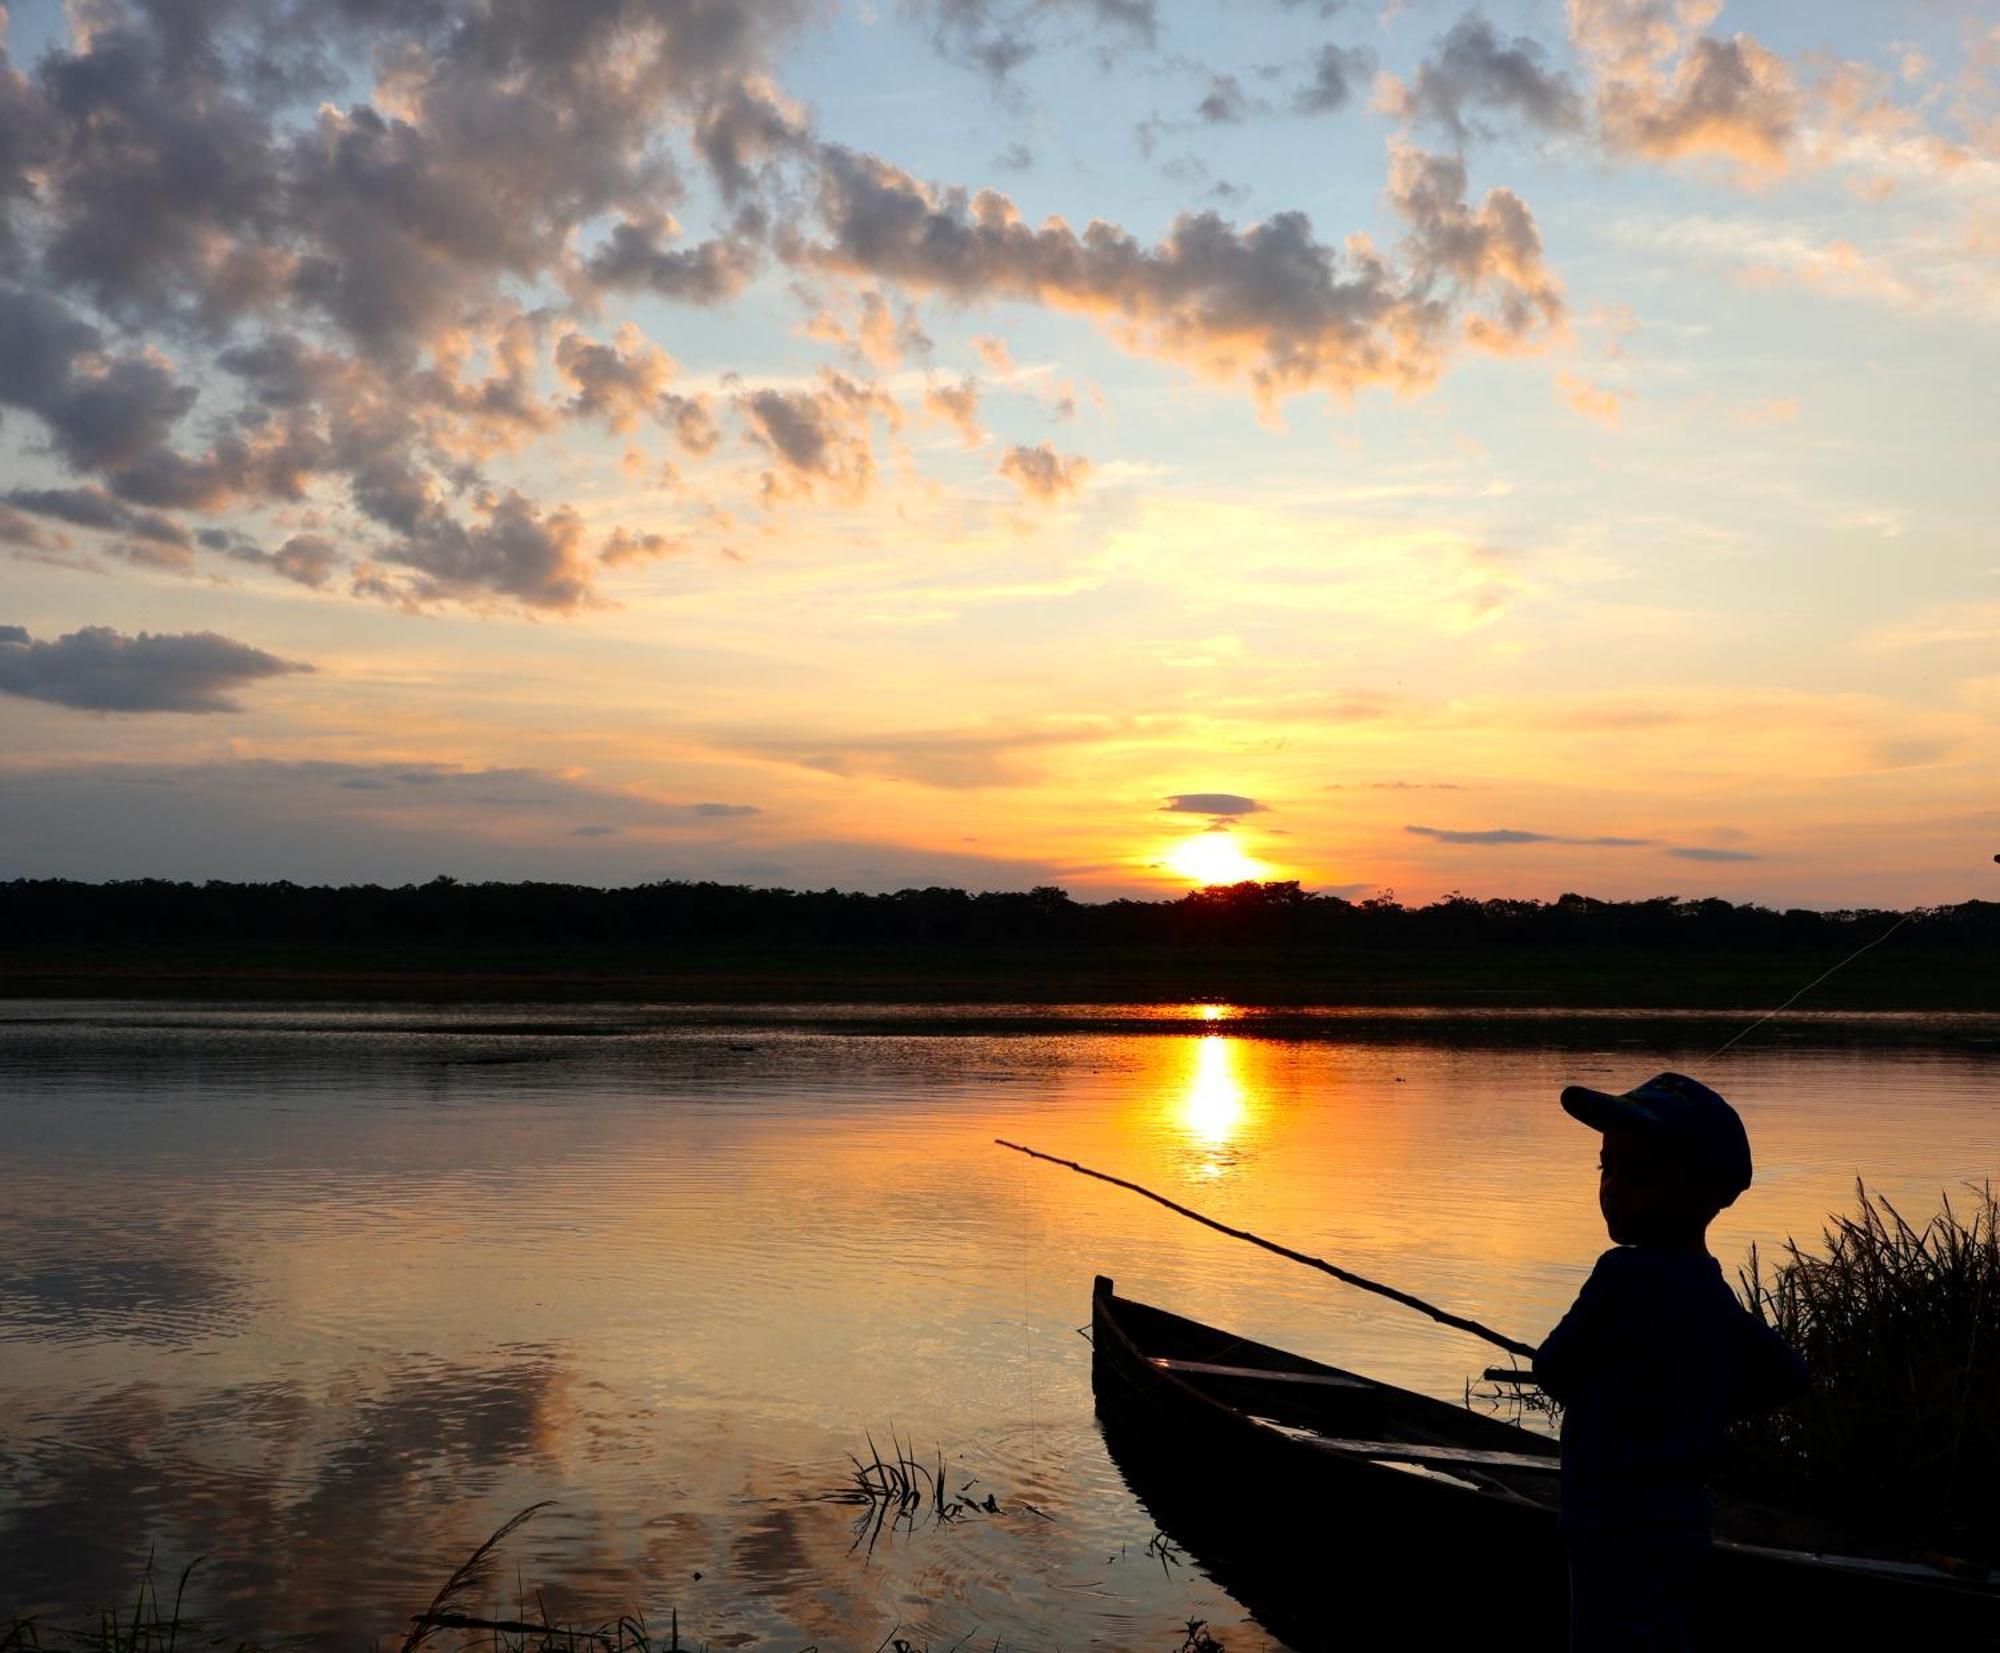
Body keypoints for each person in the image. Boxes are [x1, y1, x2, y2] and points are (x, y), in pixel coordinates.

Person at [1534, 1072, 1809, 1652]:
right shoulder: (1713, 1292)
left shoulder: (1621, 1275)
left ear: (1699, 1192)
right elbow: (1788, 1374)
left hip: (1603, 1521)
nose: (1613, 1188)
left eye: (1638, 1174)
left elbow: (1553, 1368)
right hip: (1682, 1523)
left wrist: (1614, 1395)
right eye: (1606, 1168)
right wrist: (1703, 1404)